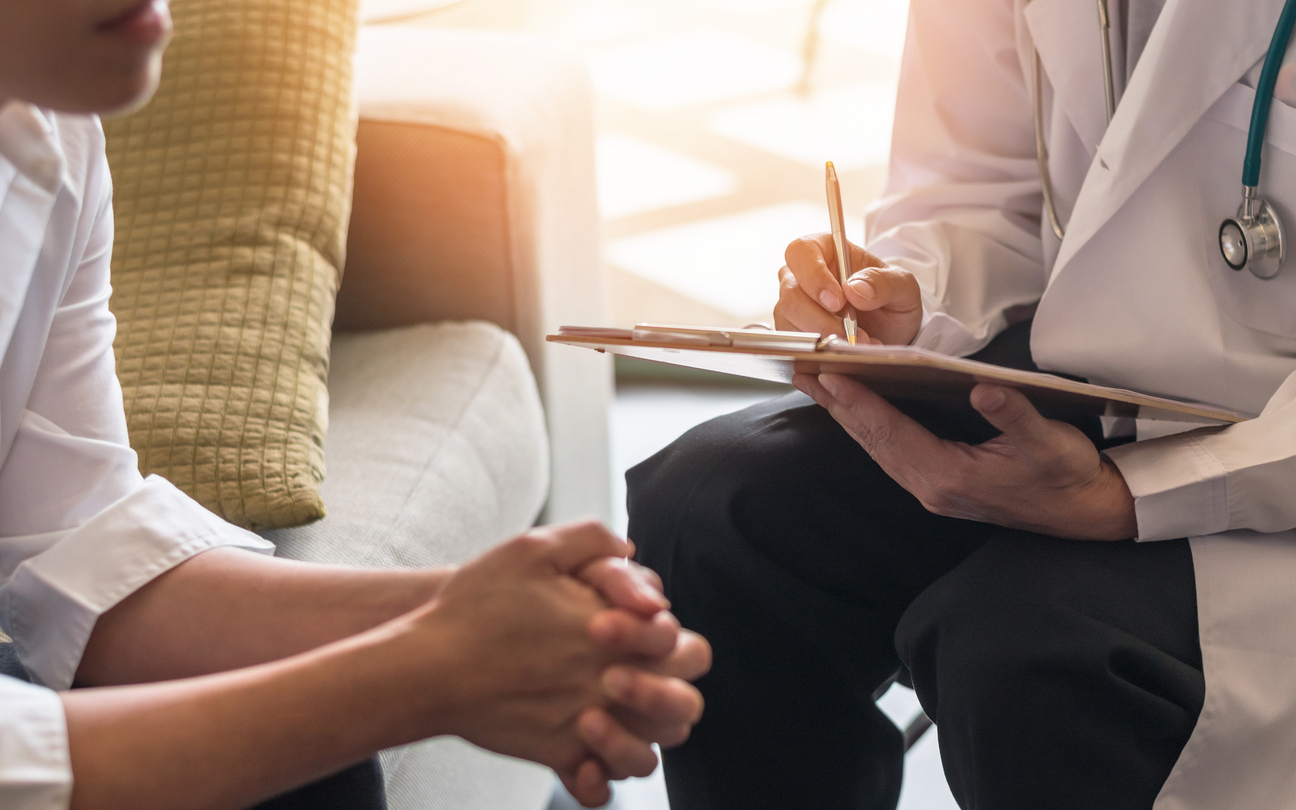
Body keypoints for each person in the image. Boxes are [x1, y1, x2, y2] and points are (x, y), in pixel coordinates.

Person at [0, 1, 710, 809]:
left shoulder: (49, 131)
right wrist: (416, 674)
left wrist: (470, 613)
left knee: (307, 771)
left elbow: (72, 539)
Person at [629, 1, 1296, 808]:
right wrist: (908, 294)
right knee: (711, 508)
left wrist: (1130, 497)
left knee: (1029, 655)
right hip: (1114, 366)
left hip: (1274, 453)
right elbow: (979, 185)